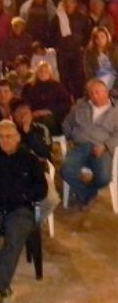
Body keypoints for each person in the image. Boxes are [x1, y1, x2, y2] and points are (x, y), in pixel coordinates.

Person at [0, 120, 47, 303]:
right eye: (0, 137)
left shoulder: (29, 159)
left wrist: (25, 195)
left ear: (17, 137)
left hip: (20, 208)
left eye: (9, 136)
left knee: (15, 239)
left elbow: (42, 188)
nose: (5, 140)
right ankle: (2, 289)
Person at [61, 79, 118, 208]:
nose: (94, 96)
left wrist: (106, 146)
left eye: (97, 92)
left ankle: (84, 193)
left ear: (107, 93)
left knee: (104, 177)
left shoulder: (116, 111)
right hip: (79, 146)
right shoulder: (80, 106)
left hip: (101, 148)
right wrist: (69, 138)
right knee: (66, 171)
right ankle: (89, 194)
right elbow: (66, 124)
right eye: (91, 93)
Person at [51, 0, 90, 99]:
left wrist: (83, 45)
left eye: (70, 3)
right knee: (64, 77)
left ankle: (79, 98)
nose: (68, 5)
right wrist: (55, 46)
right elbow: (51, 32)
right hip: (63, 52)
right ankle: (65, 99)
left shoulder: (81, 18)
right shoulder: (58, 18)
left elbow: (88, 32)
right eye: (66, 3)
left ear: (75, 4)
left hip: (77, 51)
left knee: (77, 76)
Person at [22, 61, 72, 135]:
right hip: (33, 115)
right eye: (41, 71)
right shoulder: (29, 87)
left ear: (50, 73)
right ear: (37, 72)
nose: (43, 74)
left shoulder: (57, 86)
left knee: (48, 121)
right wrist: (32, 113)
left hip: (53, 116)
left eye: (46, 72)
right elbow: (24, 103)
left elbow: (66, 104)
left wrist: (49, 110)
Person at [83, 26, 118, 91]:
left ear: (107, 37)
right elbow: (89, 73)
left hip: (115, 83)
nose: (100, 40)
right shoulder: (89, 54)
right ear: (94, 40)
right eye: (97, 38)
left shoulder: (114, 51)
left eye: (102, 37)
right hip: (98, 84)